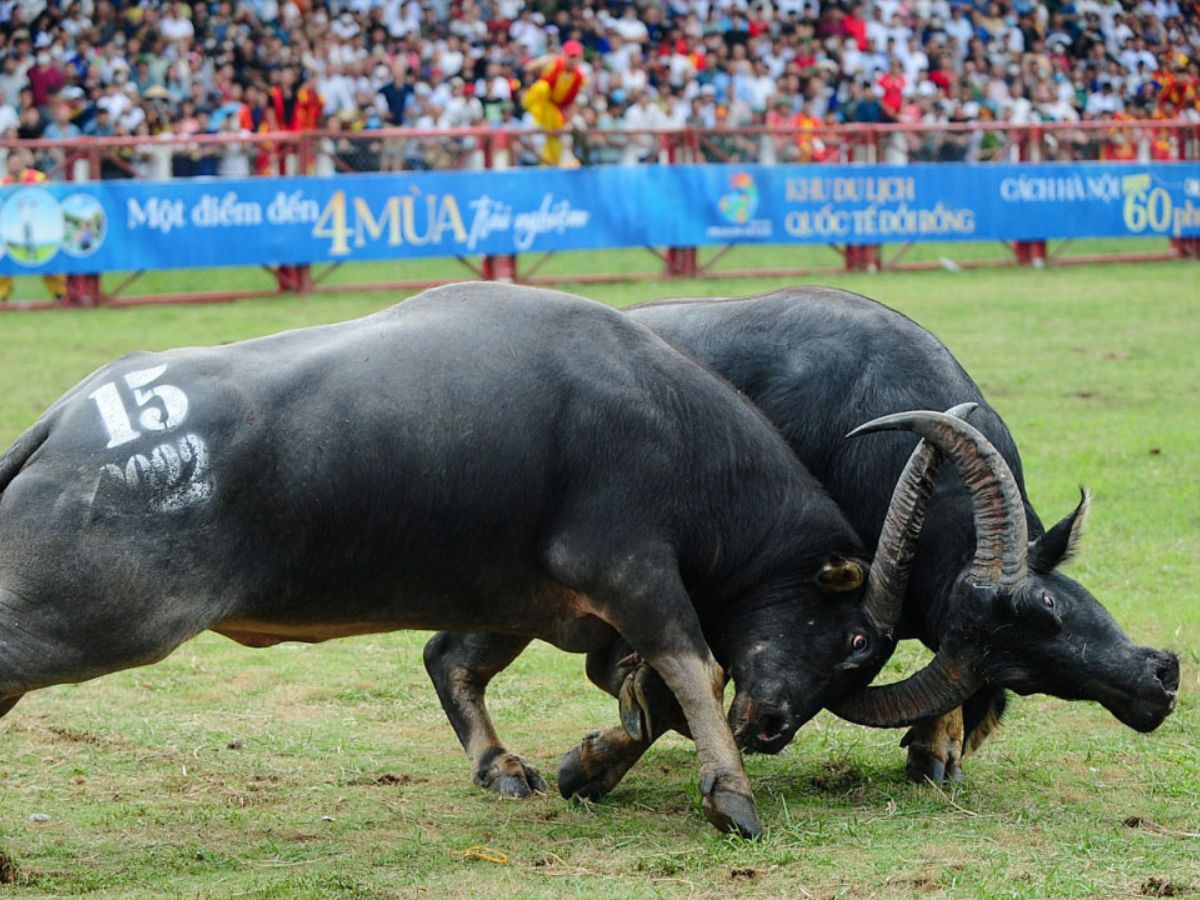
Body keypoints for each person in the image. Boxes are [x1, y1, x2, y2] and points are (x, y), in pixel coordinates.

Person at [0, 150, 66, 303]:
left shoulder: (38, 178)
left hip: (39, 227)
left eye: (17, 163)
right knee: (4, 259)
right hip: (12, 230)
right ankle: (2, 295)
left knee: (47, 259)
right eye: (12, 164)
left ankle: (60, 292)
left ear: (23, 164)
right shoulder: (3, 184)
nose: (15, 167)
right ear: (7, 166)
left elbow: (51, 198)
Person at [521, 39, 587, 166]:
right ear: (564, 55)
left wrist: (569, 121)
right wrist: (546, 59)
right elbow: (527, 68)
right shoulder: (553, 63)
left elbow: (572, 102)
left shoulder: (579, 78)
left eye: (576, 57)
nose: (573, 60)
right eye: (570, 56)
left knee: (558, 145)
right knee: (542, 87)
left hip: (555, 113)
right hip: (538, 108)